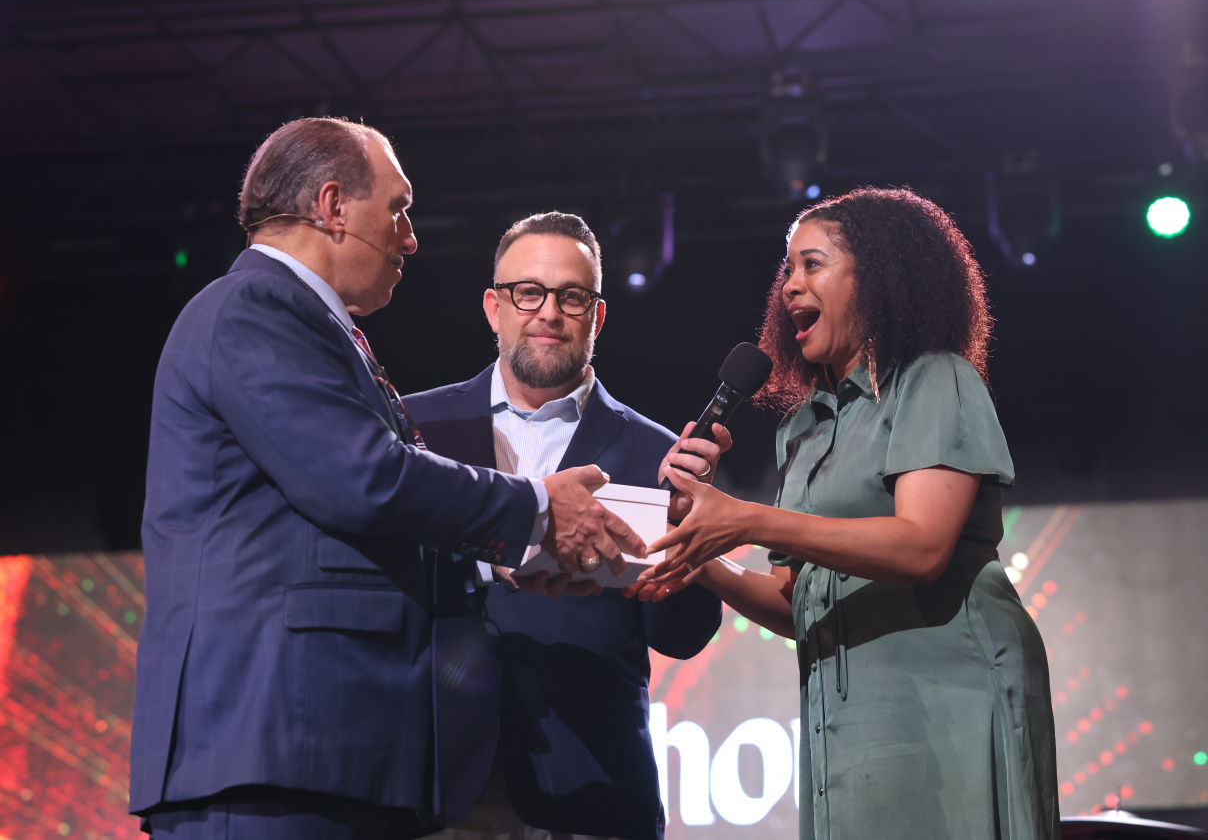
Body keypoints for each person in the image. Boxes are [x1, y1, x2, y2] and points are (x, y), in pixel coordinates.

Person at [129, 118, 644, 839]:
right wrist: (535, 509)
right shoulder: (255, 307)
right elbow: (362, 479)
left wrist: (502, 566)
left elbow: (344, 519)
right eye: (398, 209)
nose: (411, 238)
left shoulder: (312, 324)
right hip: (268, 743)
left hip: (315, 751)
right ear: (333, 206)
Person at [639, 188, 1060, 839]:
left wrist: (747, 520)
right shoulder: (802, 429)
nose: (789, 286)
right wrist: (697, 550)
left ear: (879, 277)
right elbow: (795, 601)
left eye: (812, 264)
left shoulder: (935, 378)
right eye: (787, 270)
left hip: (953, 692)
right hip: (853, 718)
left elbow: (923, 546)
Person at [403, 212, 724, 840]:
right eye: (529, 292)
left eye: (571, 297)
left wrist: (691, 534)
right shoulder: (416, 432)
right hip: (436, 790)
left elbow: (682, 638)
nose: (548, 312)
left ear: (596, 317)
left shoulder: (656, 454)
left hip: (593, 793)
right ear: (494, 308)